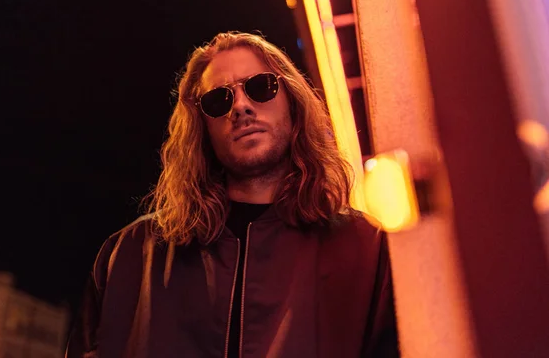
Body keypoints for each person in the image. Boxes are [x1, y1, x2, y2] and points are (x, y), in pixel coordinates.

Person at [65, 31, 399, 357]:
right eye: (218, 99)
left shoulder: (365, 249)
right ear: (202, 125)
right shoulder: (130, 255)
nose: (240, 106)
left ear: (292, 102)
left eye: (260, 87)